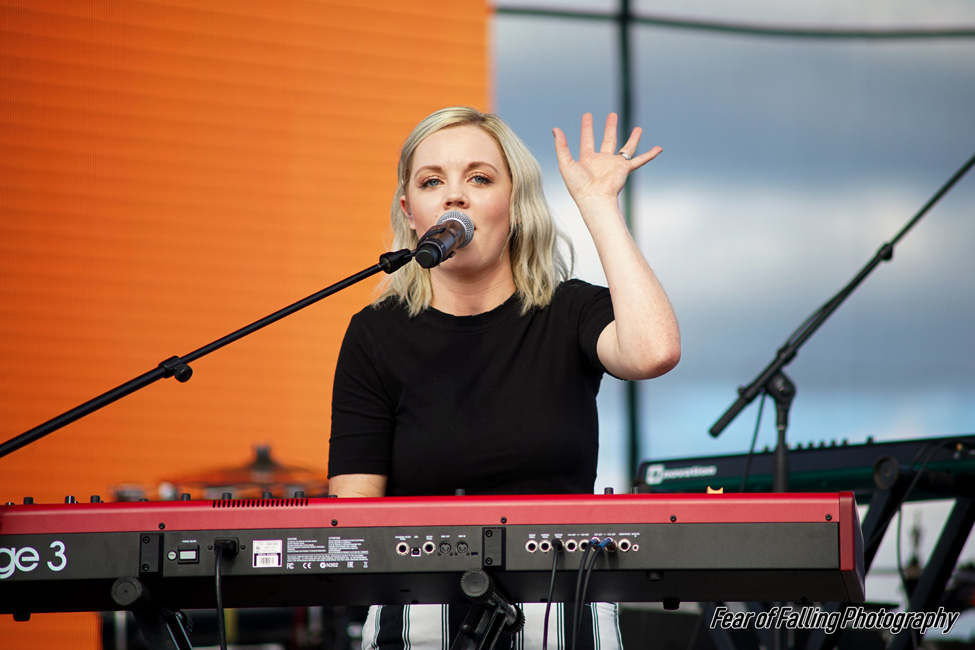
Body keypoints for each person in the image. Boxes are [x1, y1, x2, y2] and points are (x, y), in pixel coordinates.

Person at [327, 107, 680, 650]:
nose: (454, 196)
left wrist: (598, 206)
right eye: (431, 182)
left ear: (515, 205)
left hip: (564, 618)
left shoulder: (569, 311)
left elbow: (653, 351)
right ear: (410, 212)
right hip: (417, 621)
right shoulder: (376, 334)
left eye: (479, 178)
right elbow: (352, 510)